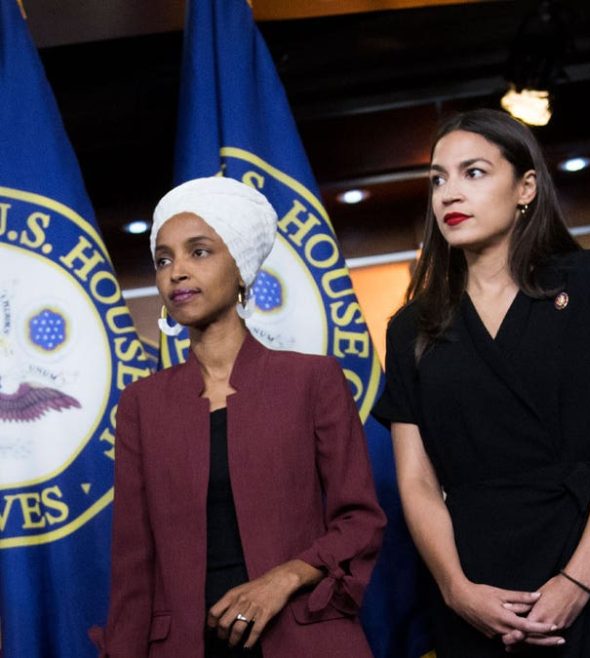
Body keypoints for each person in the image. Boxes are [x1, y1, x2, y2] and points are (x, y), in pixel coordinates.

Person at [375, 109, 590, 657]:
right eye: (438, 179)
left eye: (474, 173)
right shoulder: (411, 328)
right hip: (476, 586)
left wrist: (579, 579)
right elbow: (416, 481)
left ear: (526, 188)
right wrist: (455, 589)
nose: (449, 194)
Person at [94, 177, 387, 657]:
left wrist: (282, 579)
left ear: (242, 269)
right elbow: (132, 564)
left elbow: (360, 520)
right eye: (164, 259)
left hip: (303, 640)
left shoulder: (312, 379)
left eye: (199, 252)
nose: (177, 272)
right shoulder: (142, 404)